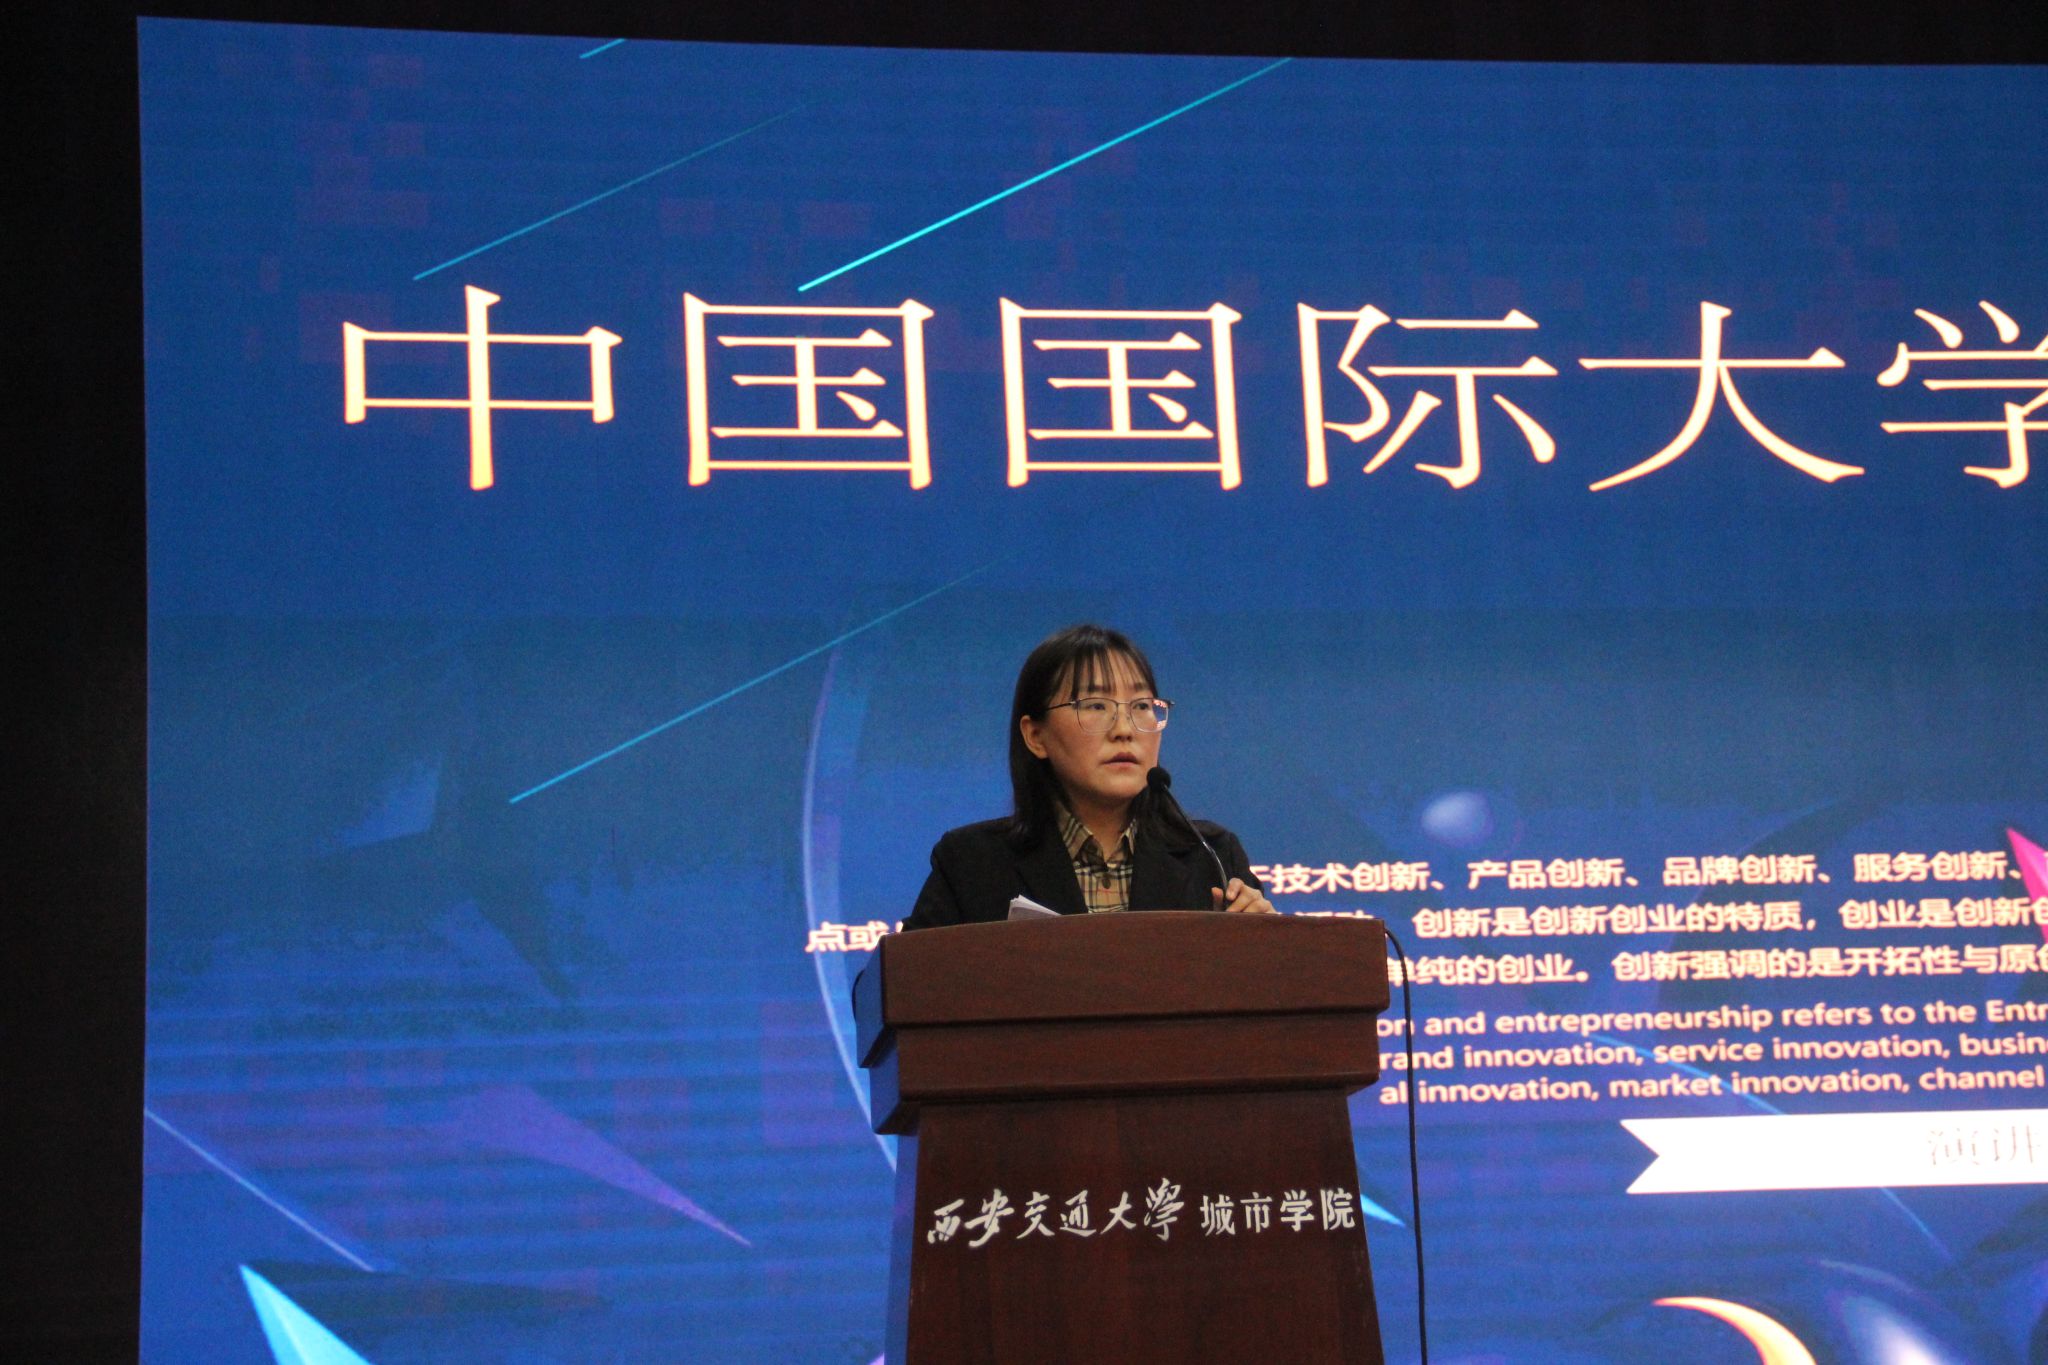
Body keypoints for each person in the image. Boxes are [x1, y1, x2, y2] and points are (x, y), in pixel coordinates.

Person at [903, 624, 1274, 929]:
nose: (1124, 730)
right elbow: (904, 986)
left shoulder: (1211, 856)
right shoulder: (971, 864)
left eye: (1141, 706)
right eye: (1095, 705)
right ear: (1036, 736)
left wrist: (1264, 942)